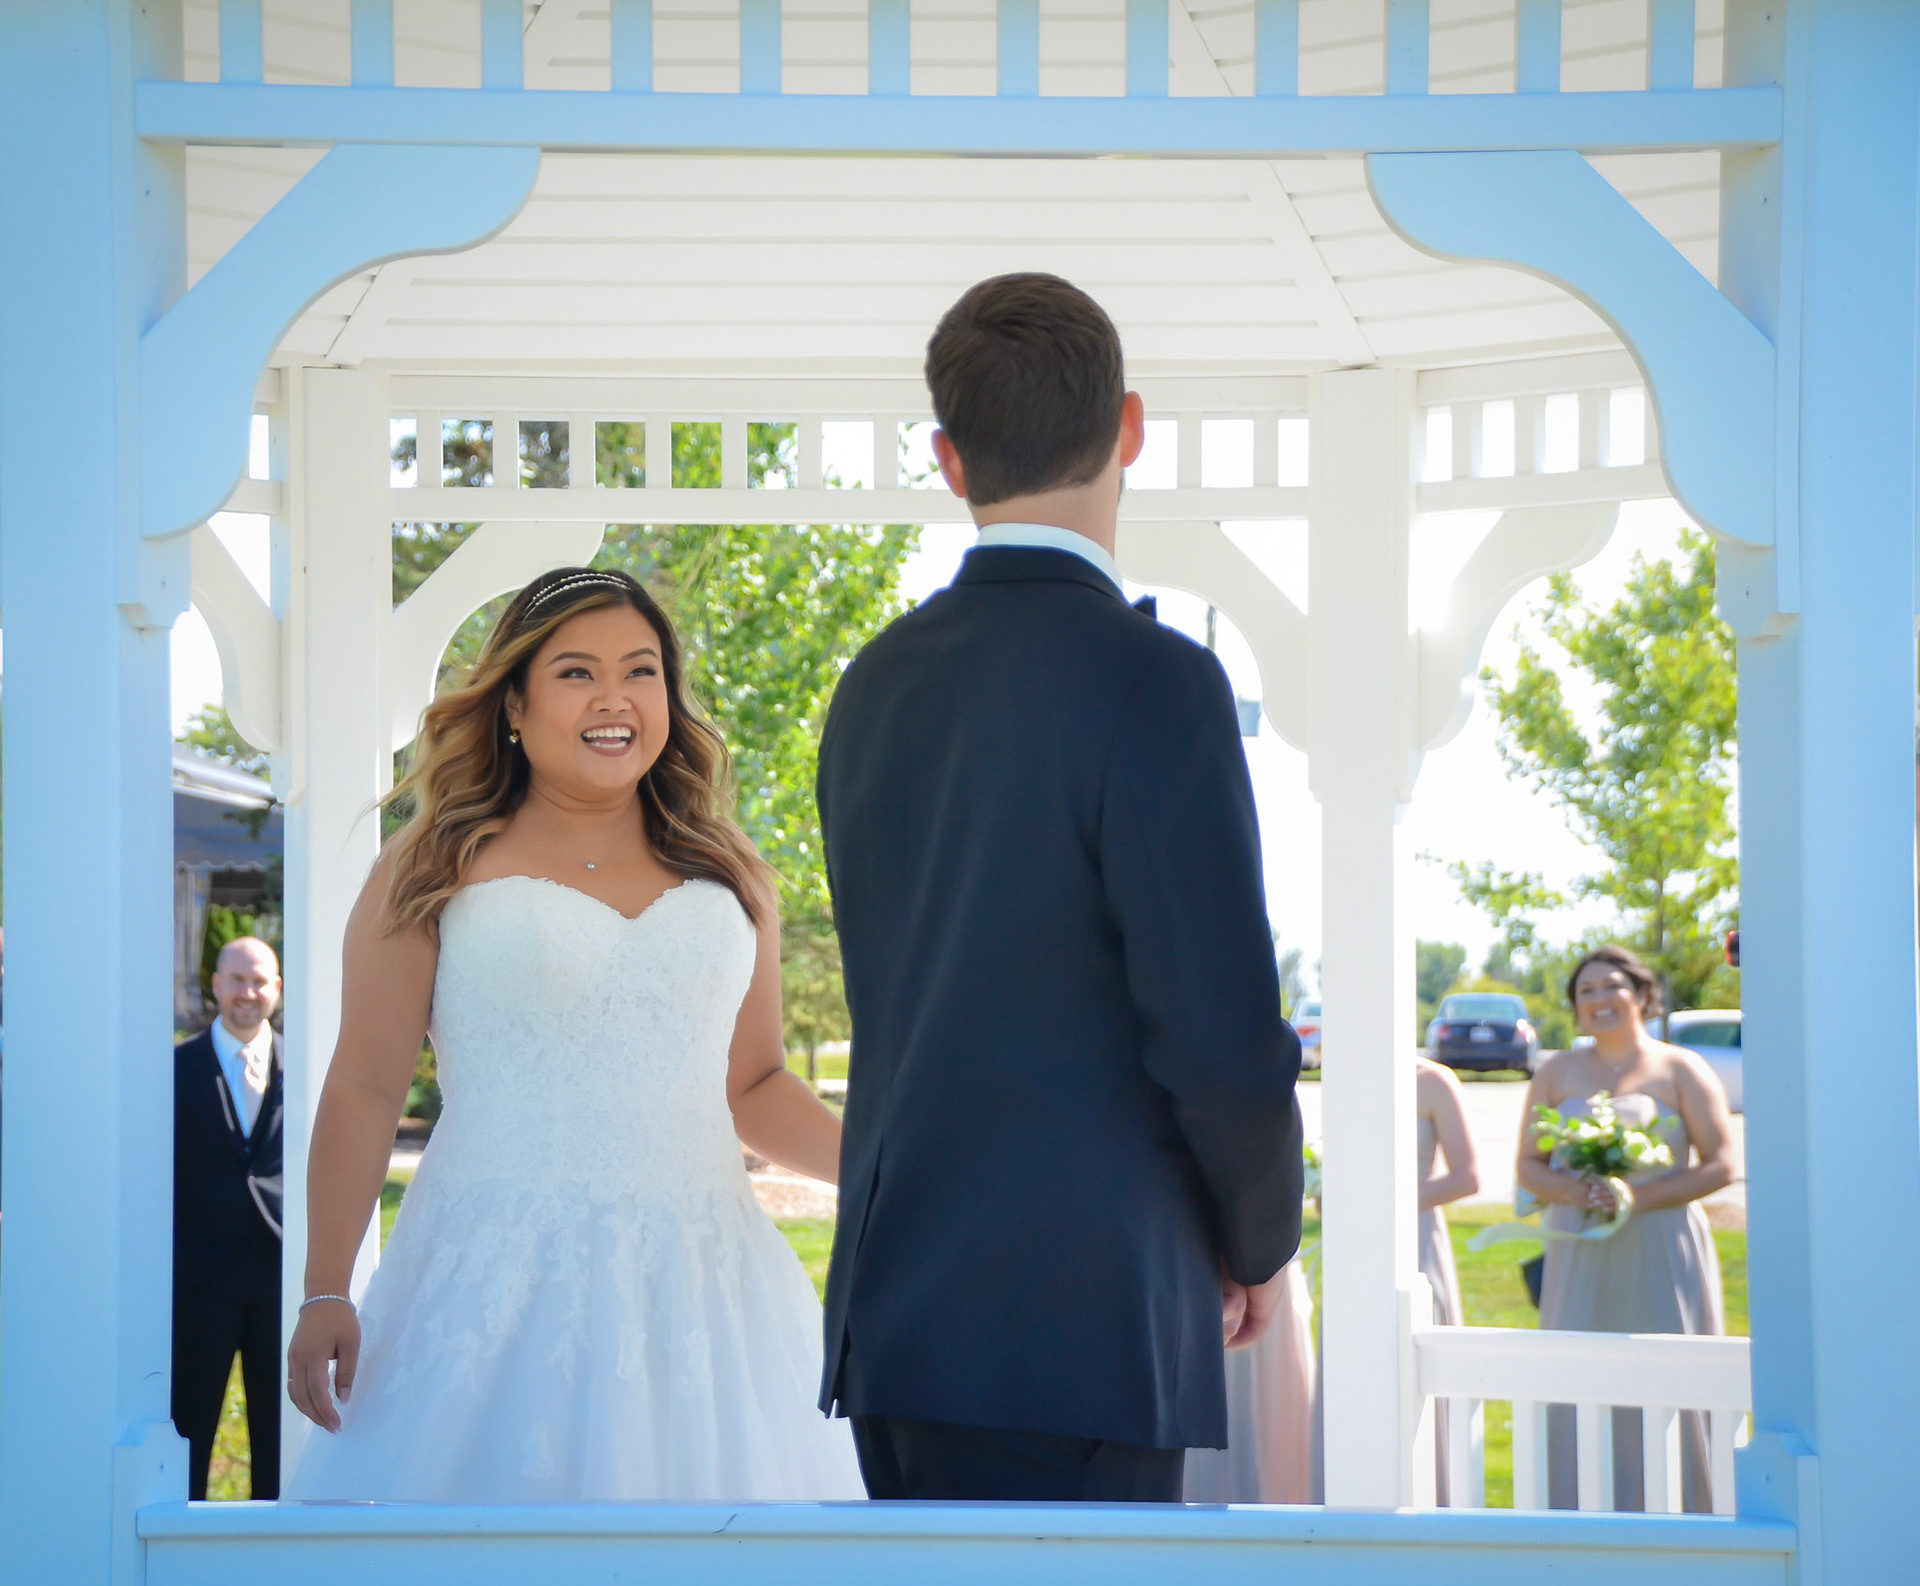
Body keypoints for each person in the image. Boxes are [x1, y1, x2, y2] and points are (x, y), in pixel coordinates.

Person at [816, 273, 1305, 1502]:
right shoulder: (1158, 682)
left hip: (899, 1318)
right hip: (1087, 1318)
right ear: (1130, 427)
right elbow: (1219, 1031)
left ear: (946, 457)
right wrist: (1256, 1239)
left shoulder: (873, 683)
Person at [283, 567, 862, 1501]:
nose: (614, 699)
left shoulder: (732, 871)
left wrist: (887, 1169)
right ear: (513, 701)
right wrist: (323, 1289)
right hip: (493, 1284)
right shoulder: (432, 863)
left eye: (641, 672)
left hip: (707, 1293)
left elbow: (753, 1086)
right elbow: (364, 1086)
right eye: (575, 673)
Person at [1520, 944, 1734, 1513]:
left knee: (1672, 1373)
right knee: (1578, 1372)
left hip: (1661, 1243)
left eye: (1611, 985)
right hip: (1579, 1246)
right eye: (1585, 991)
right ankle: (1575, 1513)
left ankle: (1689, 1512)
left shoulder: (1680, 1067)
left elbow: (1722, 1163)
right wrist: (1573, 1192)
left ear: (1640, 994)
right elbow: (1526, 1165)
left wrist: (1637, 1196)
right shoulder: (1557, 1071)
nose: (1599, 999)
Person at [172, 936, 285, 1500]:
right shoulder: (174, 1069)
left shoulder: (307, 1067)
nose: (248, 992)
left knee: (280, 1436)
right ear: (215, 984)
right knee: (189, 1427)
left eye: (260, 980)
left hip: (279, 1276)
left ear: (277, 989)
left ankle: (270, 1557)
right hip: (200, 1280)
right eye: (237, 979)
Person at [1416, 1054, 1479, 1505]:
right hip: (1354, 1242)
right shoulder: (1345, 1076)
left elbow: (1467, 1178)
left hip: (1416, 1238)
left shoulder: (1433, 1081)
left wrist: (1391, 1200)